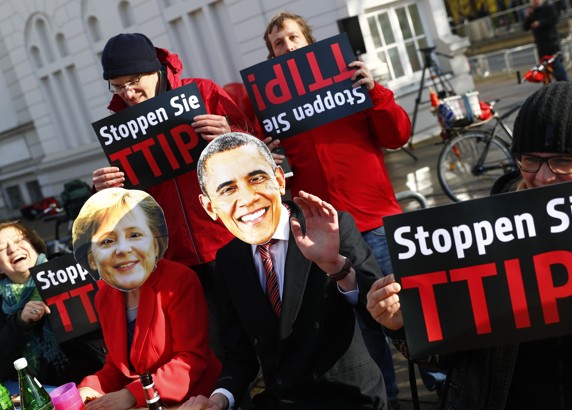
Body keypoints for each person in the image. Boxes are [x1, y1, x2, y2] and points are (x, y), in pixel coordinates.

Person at [367, 81, 572, 409]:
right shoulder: (487, 235)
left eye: (563, 161)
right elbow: (459, 361)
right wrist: (406, 324)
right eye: (530, 160)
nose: (543, 176)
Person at [262, 11, 415, 405]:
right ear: (271, 56)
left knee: (412, 312)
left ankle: (445, 380)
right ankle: (387, 400)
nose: (288, 46)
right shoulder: (272, 112)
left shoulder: (349, 84)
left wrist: (376, 91)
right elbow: (277, 183)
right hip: (329, 237)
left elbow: (398, 135)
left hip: (377, 222)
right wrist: (269, 155)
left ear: (310, 44)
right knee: (362, 328)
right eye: (278, 43)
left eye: (294, 38)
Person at [179, 132, 387, 409]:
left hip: (350, 399)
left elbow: (379, 313)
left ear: (279, 180)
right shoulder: (229, 259)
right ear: (209, 207)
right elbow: (240, 354)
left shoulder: (330, 227)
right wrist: (219, 400)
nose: (247, 199)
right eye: (228, 190)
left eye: (256, 179)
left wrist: (335, 266)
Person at [90, 33, 261, 358]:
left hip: (232, 239)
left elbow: (261, 155)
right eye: (117, 85)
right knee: (216, 350)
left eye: (134, 80)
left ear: (156, 70)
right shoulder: (119, 125)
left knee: (263, 332)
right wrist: (103, 189)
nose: (127, 92)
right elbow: (126, 202)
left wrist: (232, 135)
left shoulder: (204, 93)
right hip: (176, 259)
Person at [72, 188, 221, 409]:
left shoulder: (179, 279)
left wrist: (131, 395)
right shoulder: (105, 296)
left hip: (196, 398)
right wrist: (89, 388)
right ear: (92, 258)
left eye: (134, 235)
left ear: (155, 240)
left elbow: (191, 359)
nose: (122, 249)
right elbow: (117, 366)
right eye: (106, 241)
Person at [0, 221, 105, 388]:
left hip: (97, 380)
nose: (13, 249)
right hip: (44, 394)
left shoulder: (71, 270)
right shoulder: (3, 306)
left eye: (19, 240)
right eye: (2, 248)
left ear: (33, 245)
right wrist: (20, 323)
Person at [524, 0, 568, 81]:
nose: (535, 2)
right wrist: (528, 16)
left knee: (557, 66)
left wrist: (540, 23)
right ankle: (548, 87)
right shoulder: (533, 12)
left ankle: (565, 84)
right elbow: (525, 27)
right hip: (541, 44)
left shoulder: (549, 7)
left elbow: (554, 19)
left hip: (551, 42)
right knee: (544, 69)